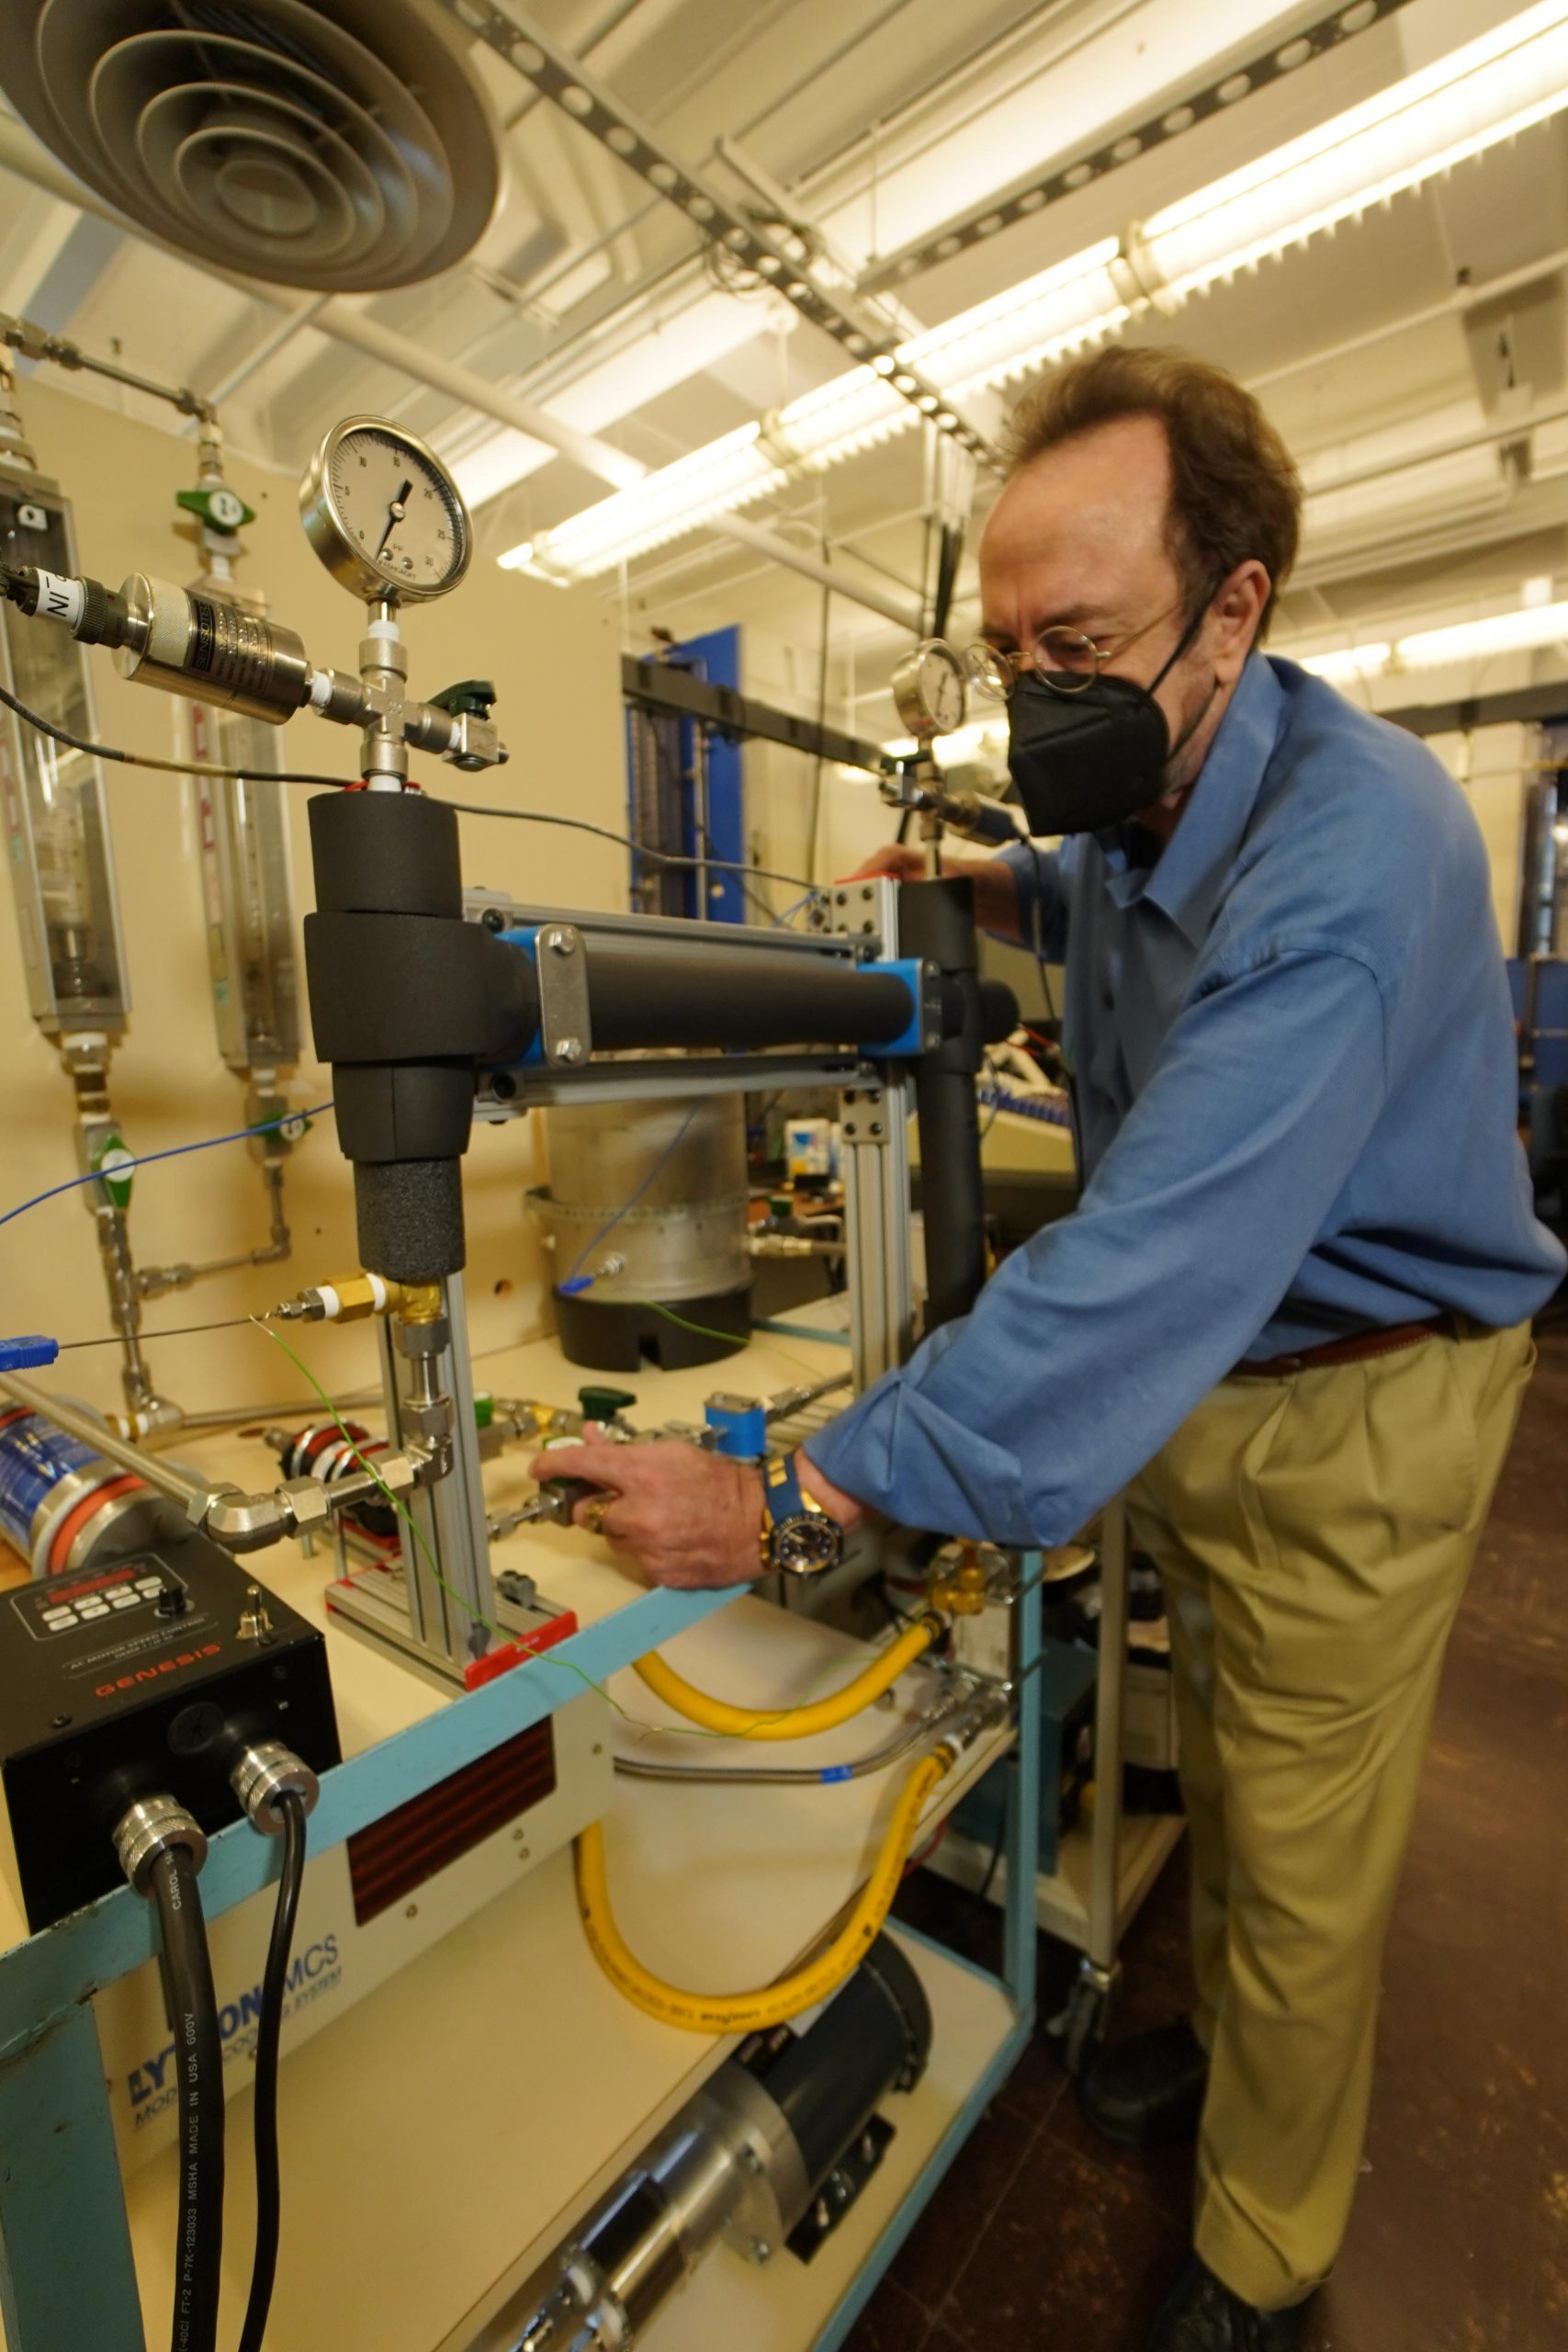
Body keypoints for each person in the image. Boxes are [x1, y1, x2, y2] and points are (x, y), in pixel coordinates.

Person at [535, 345, 1565, 2349]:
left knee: (1307, 1845)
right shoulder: (1163, 779)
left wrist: (794, 1489)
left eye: (1076, 645)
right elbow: (1107, 880)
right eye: (1008, 650)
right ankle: (1242, 2043)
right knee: (1240, 1784)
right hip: (1229, 1385)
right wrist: (992, 881)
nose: (1034, 697)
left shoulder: (1359, 854)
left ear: (1234, 610)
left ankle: (1263, 2252)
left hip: (1363, 1403)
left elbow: (1143, 1261)